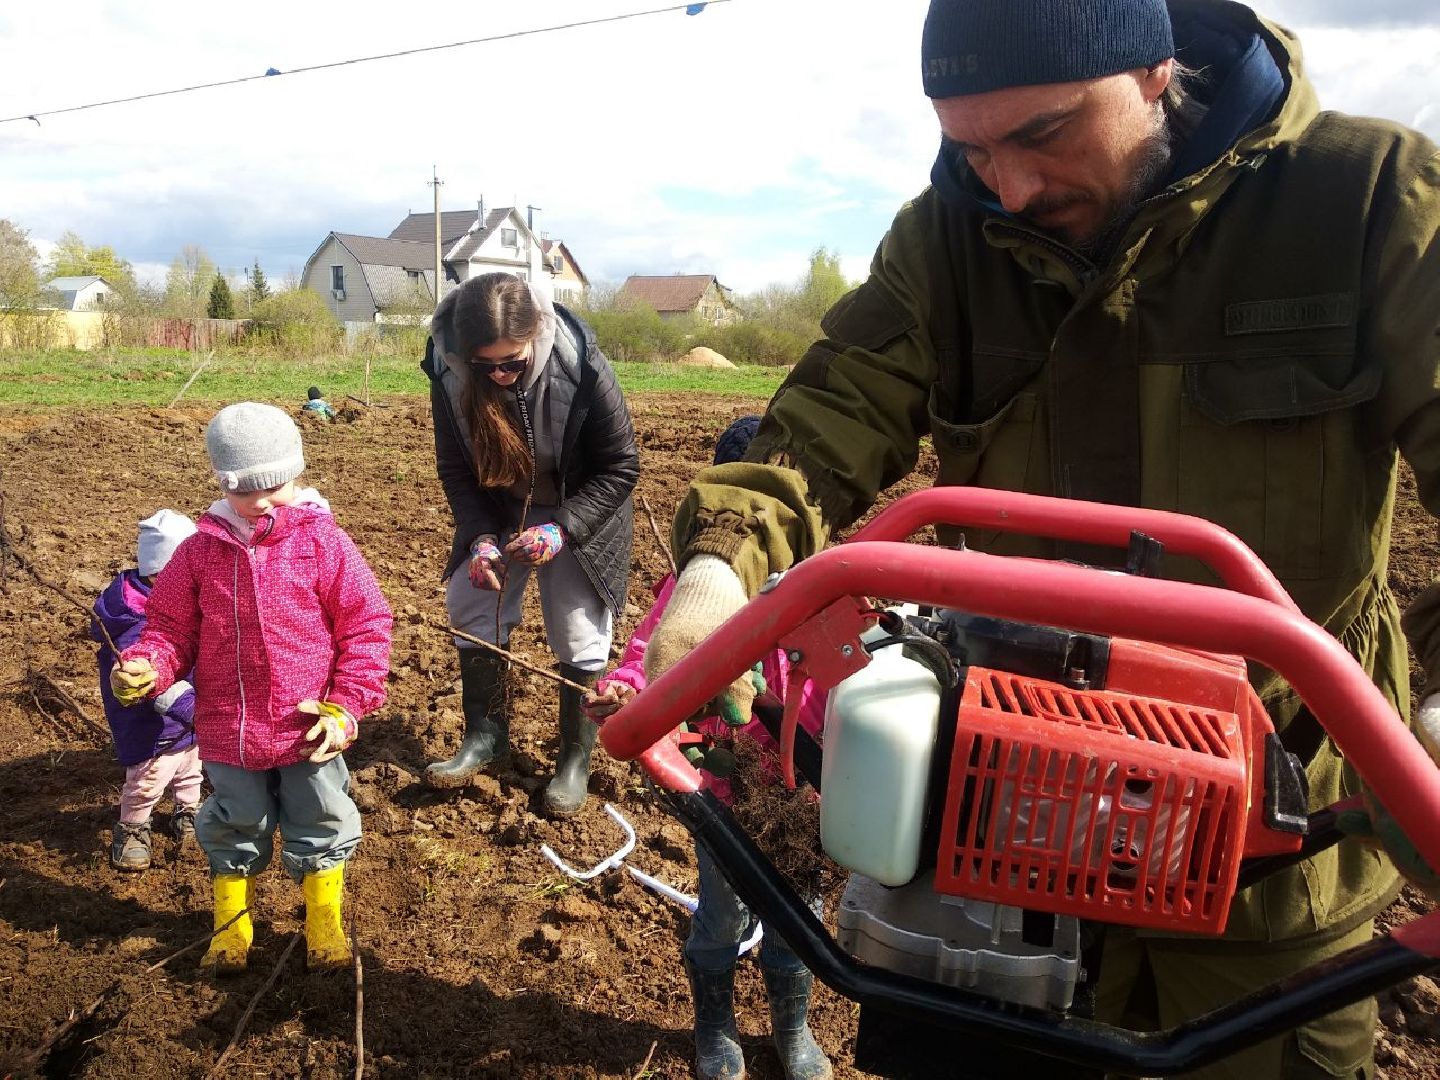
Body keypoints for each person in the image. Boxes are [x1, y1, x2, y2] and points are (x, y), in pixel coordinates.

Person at [642, 2, 1440, 1078]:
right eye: (970, 147)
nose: (1008, 186)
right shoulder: (948, 235)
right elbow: (834, 410)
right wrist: (718, 566)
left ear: (1158, 71)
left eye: (1045, 133)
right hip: (1013, 839)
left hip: (1280, 851)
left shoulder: (1366, 201)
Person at [586, 415, 831, 1080]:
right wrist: (623, 689)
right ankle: (716, 1030)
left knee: (798, 921)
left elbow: (854, 678)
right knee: (722, 917)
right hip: (722, 790)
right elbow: (648, 656)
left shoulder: (829, 588)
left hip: (804, 793)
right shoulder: (693, 587)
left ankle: (792, 1028)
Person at [110, 402, 392, 972]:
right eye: (246, 489)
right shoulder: (196, 554)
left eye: (277, 484)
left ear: (298, 474)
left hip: (310, 729)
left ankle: (323, 926)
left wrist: (345, 706)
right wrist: (146, 665)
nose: (262, 500)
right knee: (235, 824)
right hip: (228, 728)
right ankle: (232, 932)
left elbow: (366, 625)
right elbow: (168, 632)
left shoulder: (325, 544)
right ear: (222, 484)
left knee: (321, 819)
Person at [421, 272, 639, 817]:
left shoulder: (578, 363)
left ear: (534, 337)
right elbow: (456, 468)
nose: (498, 374)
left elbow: (621, 466)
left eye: (512, 363)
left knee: (577, 626)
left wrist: (563, 527)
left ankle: (572, 762)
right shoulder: (447, 369)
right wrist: (478, 538)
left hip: (578, 506)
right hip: (499, 505)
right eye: (484, 365)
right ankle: (486, 737)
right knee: (472, 605)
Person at [92, 508, 202, 872]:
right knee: (148, 778)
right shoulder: (135, 625)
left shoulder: (180, 601)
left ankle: (188, 811)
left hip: (191, 715)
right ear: (163, 573)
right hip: (154, 724)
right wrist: (194, 709)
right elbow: (153, 684)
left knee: (191, 768)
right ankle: (133, 827)